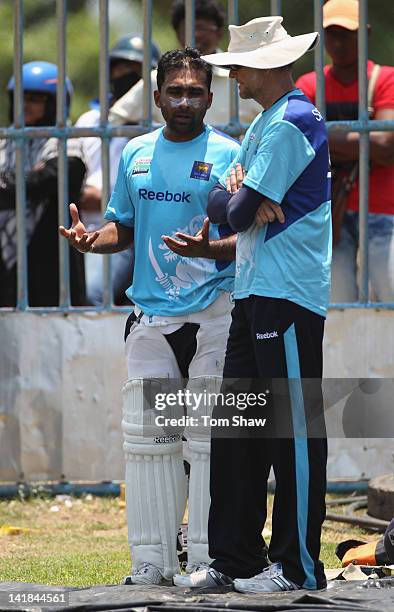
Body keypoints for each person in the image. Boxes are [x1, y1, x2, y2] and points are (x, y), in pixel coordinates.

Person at [59, 48, 240, 584]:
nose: (185, 100)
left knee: (207, 441)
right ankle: (151, 563)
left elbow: (248, 238)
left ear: (210, 96)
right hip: (151, 320)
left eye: (195, 91)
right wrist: (94, 242)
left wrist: (209, 251)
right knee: (150, 444)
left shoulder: (231, 154)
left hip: (216, 315)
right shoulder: (135, 153)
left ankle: (209, 561)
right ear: (157, 95)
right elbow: (125, 226)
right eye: (175, 91)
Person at [175, 16, 331, 593]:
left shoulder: (291, 120)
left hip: (286, 295)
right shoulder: (269, 119)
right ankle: (236, 558)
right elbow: (224, 201)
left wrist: (238, 197)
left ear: (264, 66)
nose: (233, 76)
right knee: (237, 432)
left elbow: (235, 210)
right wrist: (237, 196)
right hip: (254, 291)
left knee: (290, 432)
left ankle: (295, 569)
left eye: (238, 66)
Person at [296, 0, 394, 303]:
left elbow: (387, 145)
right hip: (329, 213)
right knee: (338, 308)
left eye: (347, 34)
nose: (338, 43)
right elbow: (302, 147)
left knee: (389, 303)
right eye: (331, 34)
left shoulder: (385, 79)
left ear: (364, 33)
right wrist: (363, 142)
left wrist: (325, 138)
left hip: (383, 211)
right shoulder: (310, 83)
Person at [75, 35, 161, 305]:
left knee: (92, 293)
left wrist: (102, 198)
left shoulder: (160, 126)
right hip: (82, 223)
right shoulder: (91, 120)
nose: (123, 76)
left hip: (131, 229)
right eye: (118, 68)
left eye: (134, 71)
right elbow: (69, 179)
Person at [0, 61, 86, 307]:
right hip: (7, 259)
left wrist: (13, 183)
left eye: (36, 99)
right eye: (21, 98)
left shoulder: (66, 143)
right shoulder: (6, 142)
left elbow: (47, 180)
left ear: (54, 104)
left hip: (50, 260)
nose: (25, 105)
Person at [109, 0, 261, 127]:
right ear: (177, 33)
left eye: (202, 28)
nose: (196, 34)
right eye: (188, 28)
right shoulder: (157, 79)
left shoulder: (239, 78)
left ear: (219, 33)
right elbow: (114, 120)